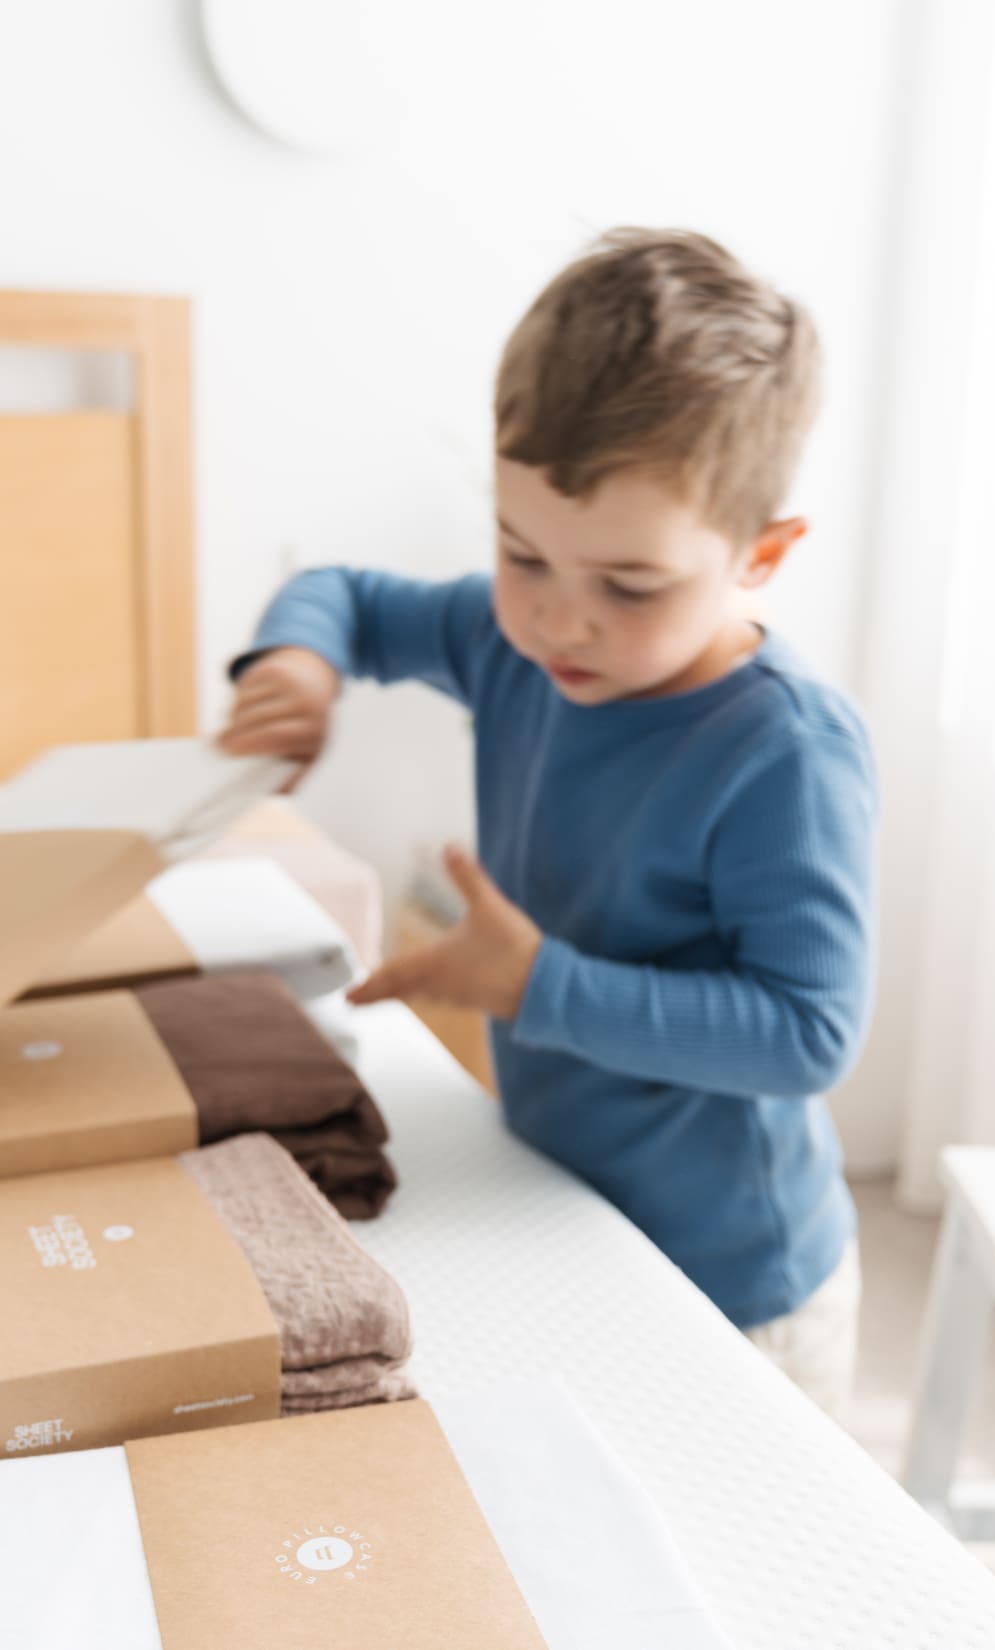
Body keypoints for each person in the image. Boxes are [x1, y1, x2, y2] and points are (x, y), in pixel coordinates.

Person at [219, 228, 878, 1415]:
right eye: (520, 554)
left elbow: (804, 1034)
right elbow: (345, 596)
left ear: (760, 556)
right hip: (568, 1206)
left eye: (629, 586)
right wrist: (301, 666)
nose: (560, 621)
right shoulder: (507, 637)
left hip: (738, 1285)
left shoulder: (784, 752)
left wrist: (536, 986)